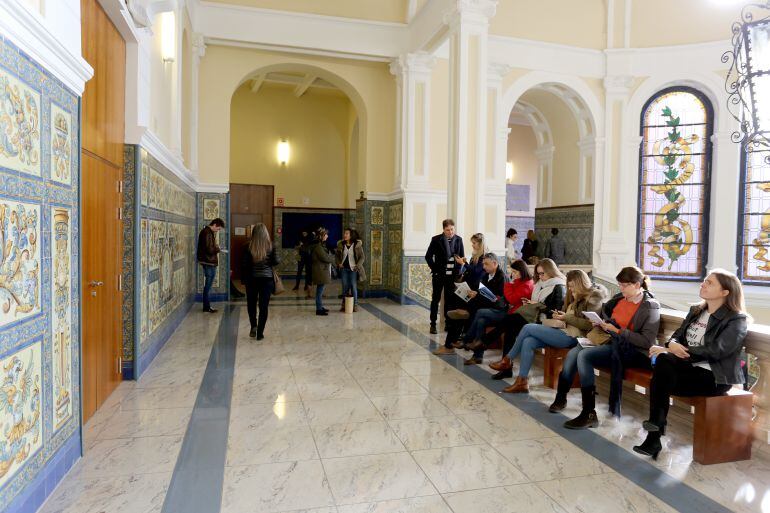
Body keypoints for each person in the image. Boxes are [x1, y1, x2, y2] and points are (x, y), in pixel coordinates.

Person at [633, 269, 749, 460]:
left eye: (710, 283)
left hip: (713, 378)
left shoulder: (736, 319)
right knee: (663, 363)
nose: (703, 284)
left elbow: (717, 350)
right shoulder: (696, 311)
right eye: (704, 280)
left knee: (662, 370)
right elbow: (676, 336)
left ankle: (654, 435)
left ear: (725, 292)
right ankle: (655, 430)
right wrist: (671, 345)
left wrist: (676, 351)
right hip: (685, 371)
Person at [549, 266, 660, 430]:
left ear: (637, 285)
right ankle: (561, 397)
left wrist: (617, 331)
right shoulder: (619, 299)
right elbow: (609, 319)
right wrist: (600, 323)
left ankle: (588, 413)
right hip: (608, 340)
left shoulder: (649, 306)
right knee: (574, 353)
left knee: (584, 356)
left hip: (628, 350)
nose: (621, 288)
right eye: (619, 284)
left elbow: (646, 341)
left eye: (624, 285)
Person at [500, 270, 607, 390]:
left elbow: (588, 325)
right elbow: (568, 315)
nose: (570, 289)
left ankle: (507, 360)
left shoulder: (593, 298)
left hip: (575, 337)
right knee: (528, 341)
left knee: (527, 327)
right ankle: (522, 381)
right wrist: (561, 315)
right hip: (564, 331)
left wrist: (566, 317)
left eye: (572, 286)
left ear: (580, 283)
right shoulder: (573, 295)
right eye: (569, 286)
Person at [485, 258, 566, 370]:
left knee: (511, 320)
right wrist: (529, 303)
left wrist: (536, 305)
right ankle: (506, 366)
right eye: (538, 274)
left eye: (542, 273)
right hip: (534, 317)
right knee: (510, 328)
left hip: (546, 321)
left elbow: (554, 311)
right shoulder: (540, 284)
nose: (540, 276)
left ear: (551, 271)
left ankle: (486, 343)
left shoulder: (559, 286)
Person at [433, 253, 507, 357]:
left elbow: (499, 299)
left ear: (494, 264)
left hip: (494, 308)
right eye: (483, 264)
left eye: (486, 264)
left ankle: (457, 342)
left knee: (465, 315)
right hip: (483, 304)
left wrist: (478, 295)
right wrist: (475, 292)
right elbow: (481, 289)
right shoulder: (486, 275)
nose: (484, 266)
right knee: (460, 308)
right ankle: (456, 344)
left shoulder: (501, 277)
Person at [425, 219, 465, 334]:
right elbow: (428, 256)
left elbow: (461, 258)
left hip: (451, 276)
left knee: (449, 300)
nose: (450, 232)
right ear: (443, 229)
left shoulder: (458, 240)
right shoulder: (436, 239)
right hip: (439, 275)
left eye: (452, 229)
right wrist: (435, 269)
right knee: (435, 299)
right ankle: (433, 324)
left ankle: (448, 323)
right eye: (448, 230)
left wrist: (457, 272)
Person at [240, 223, 279, 340]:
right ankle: (260, 333)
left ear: (254, 233)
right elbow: (276, 262)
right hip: (267, 280)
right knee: (263, 306)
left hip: (252, 280)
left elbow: (244, 264)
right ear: (265, 233)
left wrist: (244, 279)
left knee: (251, 304)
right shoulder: (271, 246)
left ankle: (253, 326)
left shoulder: (247, 246)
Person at [446, 232, 488, 319]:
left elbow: (476, 271)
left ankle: (462, 315)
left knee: (462, 299)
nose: (472, 245)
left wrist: (463, 263)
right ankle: (459, 316)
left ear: (480, 244)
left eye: (474, 243)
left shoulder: (484, 256)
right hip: (471, 282)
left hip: (476, 284)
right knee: (455, 295)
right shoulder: (475, 254)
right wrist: (465, 263)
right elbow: (472, 269)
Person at [197, 218, 225, 313]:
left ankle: (207, 306)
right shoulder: (207, 233)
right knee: (208, 286)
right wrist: (218, 249)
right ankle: (206, 307)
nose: (218, 230)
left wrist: (215, 247)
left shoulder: (207, 232)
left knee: (208, 285)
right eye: (218, 228)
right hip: (208, 262)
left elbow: (208, 247)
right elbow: (209, 250)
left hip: (208, 261)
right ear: (215, 225)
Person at [335, 228, 366, 312]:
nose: (345, 235)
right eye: (344, 233)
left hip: (353, 269)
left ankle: (355, 305)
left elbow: (362, 257)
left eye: (347, 233)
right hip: (344, 269)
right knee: (345, 287)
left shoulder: (357, 245)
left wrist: (357, 266)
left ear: (351, 235)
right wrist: (339, 263)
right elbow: (337, 256)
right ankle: (344, 305)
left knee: (353, 286)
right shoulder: (341, 244)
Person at [310, 227, 335, 316]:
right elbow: (325, 258)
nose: (327, 236)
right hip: (320, 270)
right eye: (325, 234)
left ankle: (320, 306)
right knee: (320, 291)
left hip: (321, 270)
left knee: (320, 290)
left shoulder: (320, 245)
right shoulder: (318, 246)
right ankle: (319, 309)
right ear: (321, 236)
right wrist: (332, 258)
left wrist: (329, 257)